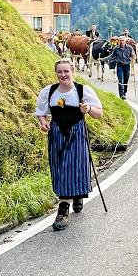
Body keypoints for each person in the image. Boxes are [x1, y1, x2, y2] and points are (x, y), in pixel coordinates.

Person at [35, 58, 103, 231]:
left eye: (66, 71)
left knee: (75, 166)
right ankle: (69, 202)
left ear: (72, 72)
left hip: (77, 133)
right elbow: (41, 113)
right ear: (56, 73)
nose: (63, 75)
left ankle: (69, 203)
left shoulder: (83, 91)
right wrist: (43, 123)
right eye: (60, 72)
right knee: (60, 168)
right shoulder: (49, 92)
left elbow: (98, 114)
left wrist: (88, 109)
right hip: (57, 134)